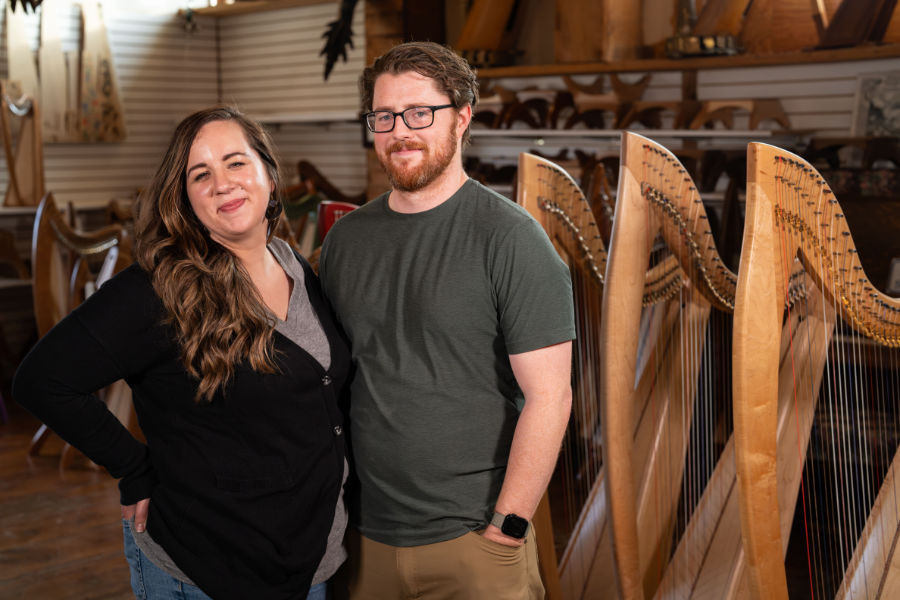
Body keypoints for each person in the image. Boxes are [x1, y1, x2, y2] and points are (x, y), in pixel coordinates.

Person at [13, 106, 350, 600]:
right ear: (185, 199)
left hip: (312, 559)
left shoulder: (294, 264)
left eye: (236, 163)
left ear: (269, 176)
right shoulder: (158, 290)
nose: (222, 183)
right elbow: (42, 379)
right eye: (200, 174)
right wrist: (134, 468)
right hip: (206, 568)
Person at [319, 42, 575, 599]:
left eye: (419, 113)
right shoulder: (345, 241)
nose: (399, 132)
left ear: (461, 118)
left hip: (475, 541)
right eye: (384, 116)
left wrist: (506, 529)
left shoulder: (512, 239)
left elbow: (551, 397)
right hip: (362, 539)